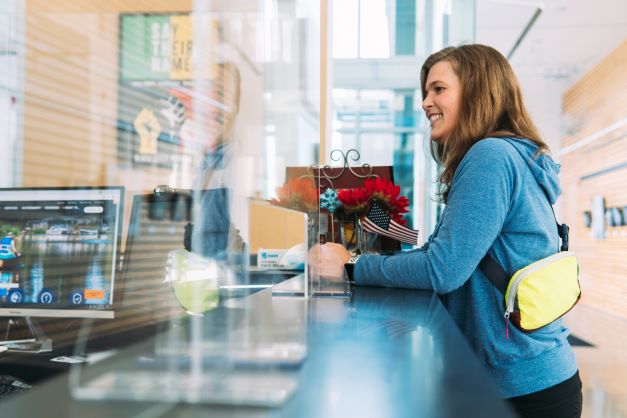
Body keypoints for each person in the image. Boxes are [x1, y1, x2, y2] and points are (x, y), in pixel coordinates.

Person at [319, 44, 582, 418]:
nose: (426, 102)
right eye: (426, 92)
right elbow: (436, 253)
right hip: (535, 375)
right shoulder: (512, 155)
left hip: (522, 388)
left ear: (476, 91)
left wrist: (351, 266)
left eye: (438, 89)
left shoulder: (490, 156)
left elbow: (443, 269)